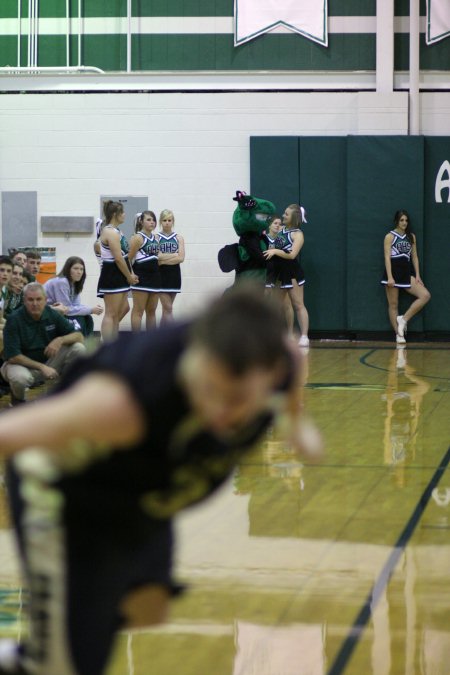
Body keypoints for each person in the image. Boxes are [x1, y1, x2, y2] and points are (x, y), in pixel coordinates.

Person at [0, 286, 320, 675]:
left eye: (238, 399)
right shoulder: (121, 405)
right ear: (198, 361)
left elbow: (288, 362)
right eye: (211, 392)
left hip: (139, 490)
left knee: (145, 608)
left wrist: (297, 424)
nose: (221, 415)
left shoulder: (274, 358)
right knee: (66, 663)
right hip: (56, 485)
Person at [0, 282, 85, 405]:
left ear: (45, 300)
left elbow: (79, 336)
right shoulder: (14, 319)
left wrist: (60, 340)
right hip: (21, 365)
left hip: (48, 361)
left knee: (78, 348)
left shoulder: (52, 314)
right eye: (30, 300)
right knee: (20, 378)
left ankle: (67, 391)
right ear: (24, 301)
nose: (35, 303)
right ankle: (18, 401)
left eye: (38, 299)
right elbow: (13, 356)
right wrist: (42, 367)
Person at [381, 210, 431, 344]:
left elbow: (415, 257)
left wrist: (418, 275)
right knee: (393, 304)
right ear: (397, 221)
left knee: (425, 295)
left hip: (406, 273)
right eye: (402, 220)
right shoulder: (389, 236)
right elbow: (387, 257)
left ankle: (403, 320)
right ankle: (398, 334)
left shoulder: (411, 237)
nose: (404, 223)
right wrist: (390, 277)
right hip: (393, 273)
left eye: (406, 220)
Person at [263, 204, 310, 347]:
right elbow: (271, 241)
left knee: (298, 304)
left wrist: (275, 252)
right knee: (278, 305)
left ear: (294, 218)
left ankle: (304, 336)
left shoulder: (298, 234)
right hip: (278, 271)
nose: (283, 216)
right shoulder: (281, 230)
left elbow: (292, 255)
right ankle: (277, 334)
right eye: (284, 213)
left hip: (291, 271)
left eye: (286, 214)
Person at [97, 200, 138, 340]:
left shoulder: (117, 231)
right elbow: (118, 259)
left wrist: (131, 273)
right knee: (111, 313)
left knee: (119, 312)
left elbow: (125, 256)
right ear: (115, 214)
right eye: (122, 212)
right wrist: (128, 276)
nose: (125, 215)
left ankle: (113, 343)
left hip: (120, 273)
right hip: (112, 273)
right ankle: (106, 346)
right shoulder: (109, 232)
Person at [44, 256, 103, 337]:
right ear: (68, 269)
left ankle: (87, 344)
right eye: (75, 268)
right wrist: (91, 310)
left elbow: (76, 305)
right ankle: (81, 343)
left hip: (59, 312)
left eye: (81, 269)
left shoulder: (74, 283)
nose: (79, 272)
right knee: (81, 319)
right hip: (47, 312)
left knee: (87, 318)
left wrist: (91, 309)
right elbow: (66, 309)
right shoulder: (62, 282)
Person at [128, 211, 161, 330]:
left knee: (152, 311)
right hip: (141, 278)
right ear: (141, 221)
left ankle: (150, 343)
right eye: (148, 219)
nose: (152, 222)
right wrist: (130, 274)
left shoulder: (156, 238)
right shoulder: (137, 238)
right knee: (138, 311)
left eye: (153, 220)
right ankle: (136, 341)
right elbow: (127, 259)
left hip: (155, 278)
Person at [158, 209, 185, 323]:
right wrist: (174, 255)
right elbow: (158, 259)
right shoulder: (156, 237)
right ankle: (174, 337)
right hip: (160, 275)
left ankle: (161, 338)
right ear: (160, 222)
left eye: (169, 220)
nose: (167, 222)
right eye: (164, 220)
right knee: (168, 308)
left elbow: (181, 258)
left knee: (166, 310)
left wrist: (164, 259)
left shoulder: (179, 237)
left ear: (173, 221)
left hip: (174, 275)